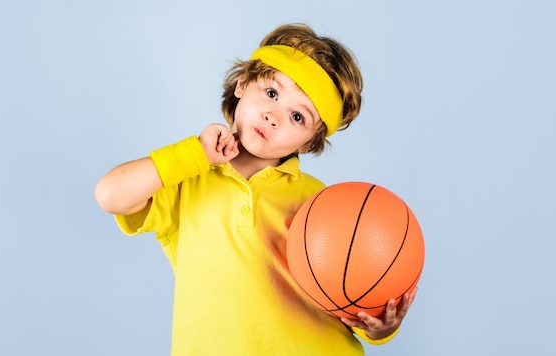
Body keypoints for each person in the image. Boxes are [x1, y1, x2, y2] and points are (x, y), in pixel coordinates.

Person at [95, 23, 416, 355]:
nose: (274, 116)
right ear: (242, 84)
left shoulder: (321, 203)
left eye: (297, 117)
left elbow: (355, 291)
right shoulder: (186, 179)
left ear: (308, 144)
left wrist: (382, 327)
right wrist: (195, 154)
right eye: (272, 93)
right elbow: (110, 194)